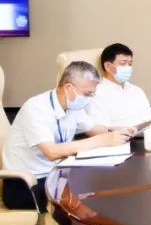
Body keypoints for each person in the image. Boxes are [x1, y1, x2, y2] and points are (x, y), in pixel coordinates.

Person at [2, 62, 133, 210]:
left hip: (55, 175)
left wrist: (122, 130)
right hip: (26, 184)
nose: (89, 98)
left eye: (92, 94)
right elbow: (51, 152)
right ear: (69, 87)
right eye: (87, 94)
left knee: (105, 184)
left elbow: (95, 129)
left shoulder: (73, 106)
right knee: (89, 200)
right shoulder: (36, 108)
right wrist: (101, 141)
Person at [86, 43, 151, 128]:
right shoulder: (96, 94)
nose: (128, 68)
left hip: (147, 133)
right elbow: (99, 129)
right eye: (123, 63)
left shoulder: (137, 90)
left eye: (130, 64)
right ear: (108, 66)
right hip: (118, 136)